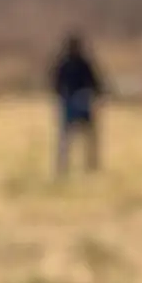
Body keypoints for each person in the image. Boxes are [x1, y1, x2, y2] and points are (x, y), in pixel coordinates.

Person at [50, 33, 103, 177]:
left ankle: (65, 166)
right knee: (84, 137)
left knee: (67, 138)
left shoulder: (65, 63)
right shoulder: (82, 63)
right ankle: (88, 165)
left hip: (72, 102)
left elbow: (55, 84)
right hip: (80, 101)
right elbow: (95, 83)